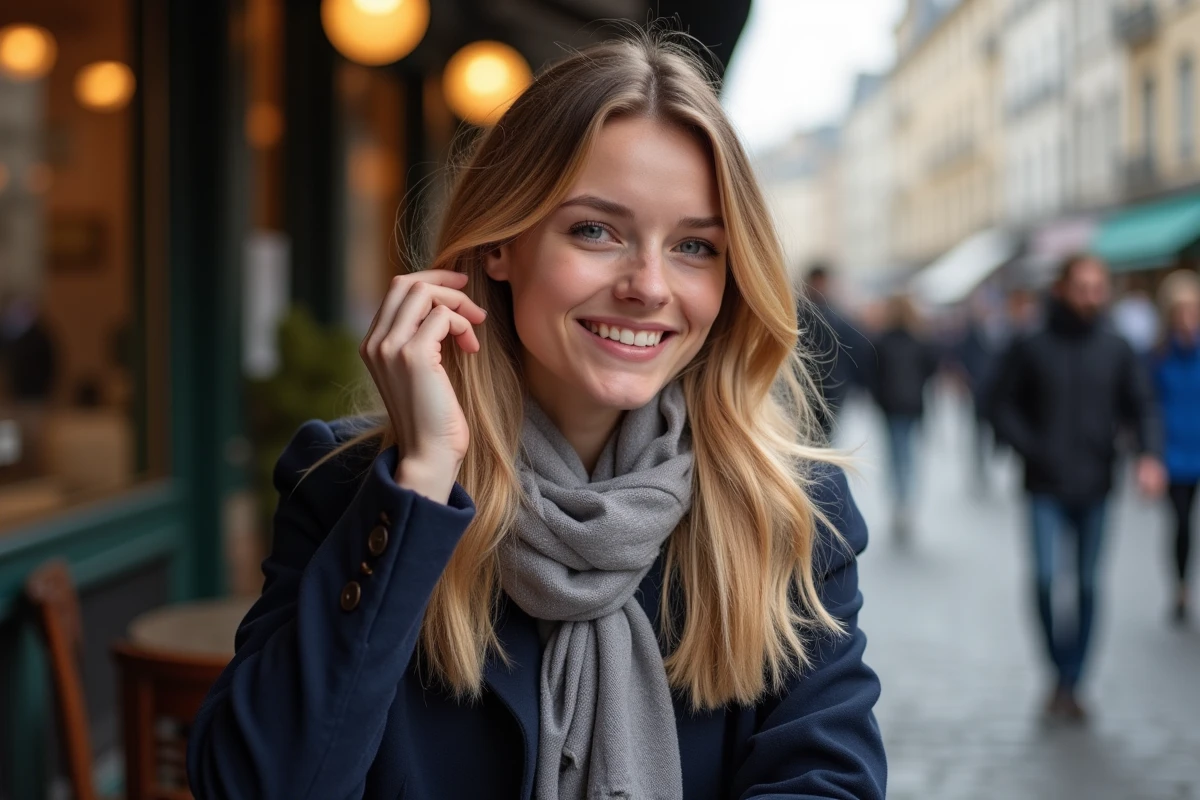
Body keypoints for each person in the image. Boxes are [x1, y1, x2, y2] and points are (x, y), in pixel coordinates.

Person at [188, 32, 886, 800]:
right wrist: (420, 483)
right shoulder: (354, 490)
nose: (649, 286)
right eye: (596, 230)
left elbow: (826, 784)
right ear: (501, 246)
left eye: (694, 246)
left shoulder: (787, 515)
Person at [990, 253, 1164, 723]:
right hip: (1044, 484)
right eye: (1083, 286)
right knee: (1046, 581)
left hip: (1096, 484)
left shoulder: (1116, 347)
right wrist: (1031, 447)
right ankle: (1057, 670)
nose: (1092, 295)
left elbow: (1140, 404)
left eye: (1098, 287)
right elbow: (1000, 404)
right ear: (1063, 289)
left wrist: (1148, 455)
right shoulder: (1031, 344)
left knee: (1087, 586)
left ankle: (1073, 680)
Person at [868, 294, 939, 543]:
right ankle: (906, 502)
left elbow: (872, 374)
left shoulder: (882, 341)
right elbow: (932, 369)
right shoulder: (920, 340)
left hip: (890, 406)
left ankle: (899, 502)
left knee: (894, 454)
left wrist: (878, 398)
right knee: (908, 454)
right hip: (911, 406)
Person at [1152, 270, 1200, 625]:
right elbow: (1148, 404)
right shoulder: (1158, 353)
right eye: (1181, 310)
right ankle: (1181, 586)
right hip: (1174, 453)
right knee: (1181, 525)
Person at [799, 263, 871, 439]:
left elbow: (856, 350)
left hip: (832, 389)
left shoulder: (835, 315)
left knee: (823, 438)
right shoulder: (803, 314)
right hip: (806, 389)